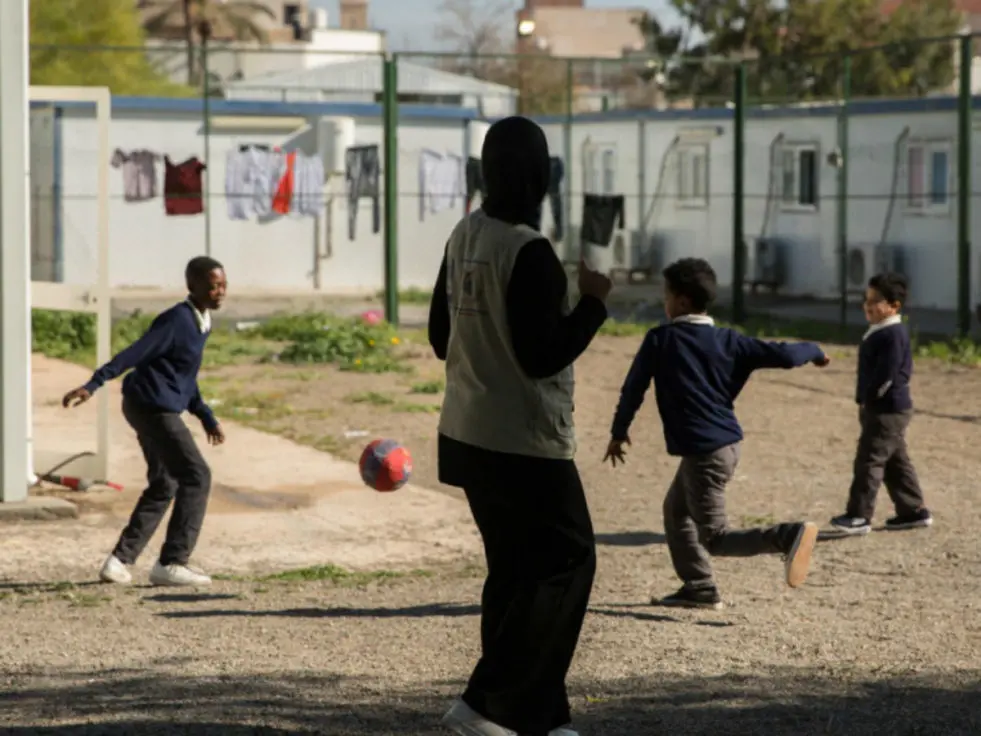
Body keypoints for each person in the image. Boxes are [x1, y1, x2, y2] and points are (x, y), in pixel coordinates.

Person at [428, 116, 612, 736]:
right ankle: (486, 703)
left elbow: (437, 337)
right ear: (539, 175)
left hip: (467, 432)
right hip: (524, 441)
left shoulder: (464, 234)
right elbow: (543, 356)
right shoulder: (530, 250)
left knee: (513, 571)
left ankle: (538, 713)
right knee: (567, 561)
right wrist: (593, 303)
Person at [604, 257, 827, 610]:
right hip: (725, 445)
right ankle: (699, 587)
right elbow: (784, 355)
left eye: (666, 295)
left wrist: (619, 431)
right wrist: (814, 351)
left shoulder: (661, 339)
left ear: (680, 301)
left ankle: (787, 536)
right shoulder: (729, 341)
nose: (664, 302)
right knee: (675, 511)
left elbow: (634, 388)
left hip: (705, 452)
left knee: (716, 538)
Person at [62, 256, 227, 588]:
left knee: (165, 482)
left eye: (224, 285)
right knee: (196, 476)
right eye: (213, 285)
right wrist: (94, 383)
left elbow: (183, 376)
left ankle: (119, 561)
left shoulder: (201, 321)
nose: (220, 292)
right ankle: (172, 562)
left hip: (148, 404)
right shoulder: (177, 320)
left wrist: (205, 414)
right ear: (192, 286)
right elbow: (135, 353)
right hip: (152, 407)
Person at [830, 272, 931, 535]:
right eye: (867, 299)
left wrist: (870, 400)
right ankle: (913, 511)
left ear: (894, 306)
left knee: (869, 460)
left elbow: (886, 375)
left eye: (875, 301)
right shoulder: (881, 331)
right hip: (885, 408)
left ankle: (859, 516)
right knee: (895, 461)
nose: (868, 305)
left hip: (887, 409)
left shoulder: (892, 333)